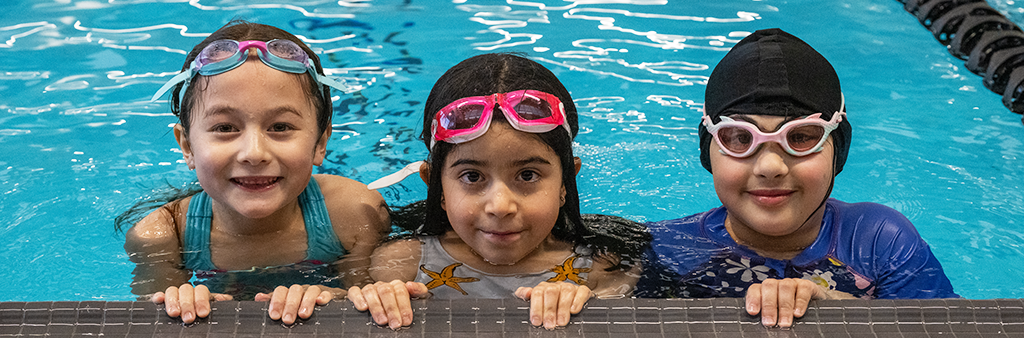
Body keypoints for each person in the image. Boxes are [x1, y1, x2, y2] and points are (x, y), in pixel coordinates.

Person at [636, 28, 958, 327]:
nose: (770, 166)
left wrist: (834, 306)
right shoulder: (662, 251)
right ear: (709, 152)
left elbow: (947, 330)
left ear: (839, 150)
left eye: (801, 137)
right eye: (739, 138)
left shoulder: (878, 244)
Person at [345, 53, 650, 330]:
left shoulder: (602, 267)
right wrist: (378, 301)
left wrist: (584, 306)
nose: (500, 205)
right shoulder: (402, 265)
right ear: (435, 185)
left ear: (565, 182)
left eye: (528, 175)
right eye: (472, 176)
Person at [117, 21, 389, 325]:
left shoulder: (353, 214)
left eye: (280, 127)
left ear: (320, 143)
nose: (254, 153)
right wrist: (178, 304)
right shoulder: (163, 237)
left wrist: (334, 299)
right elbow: (147, 325)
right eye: (225, 128)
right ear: (187, 146)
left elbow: (379, 304)